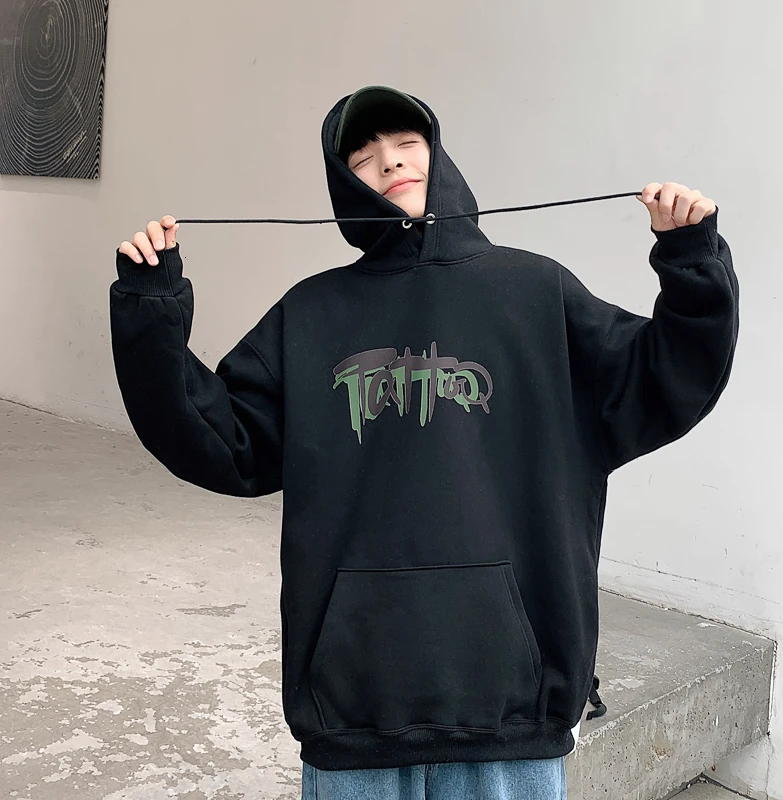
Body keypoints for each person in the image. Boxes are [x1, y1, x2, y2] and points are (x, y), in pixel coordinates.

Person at [110, 85, 739, 800]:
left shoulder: (537, 292)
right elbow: (220, 439)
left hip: (510, 715)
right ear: (344, 185)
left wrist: (691, 258)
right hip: (356, 714)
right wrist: (150, 310)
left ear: (439, 157)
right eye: (364, 157)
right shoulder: (310, 313)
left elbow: (663, 379)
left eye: (407, 144)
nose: (389, 163)